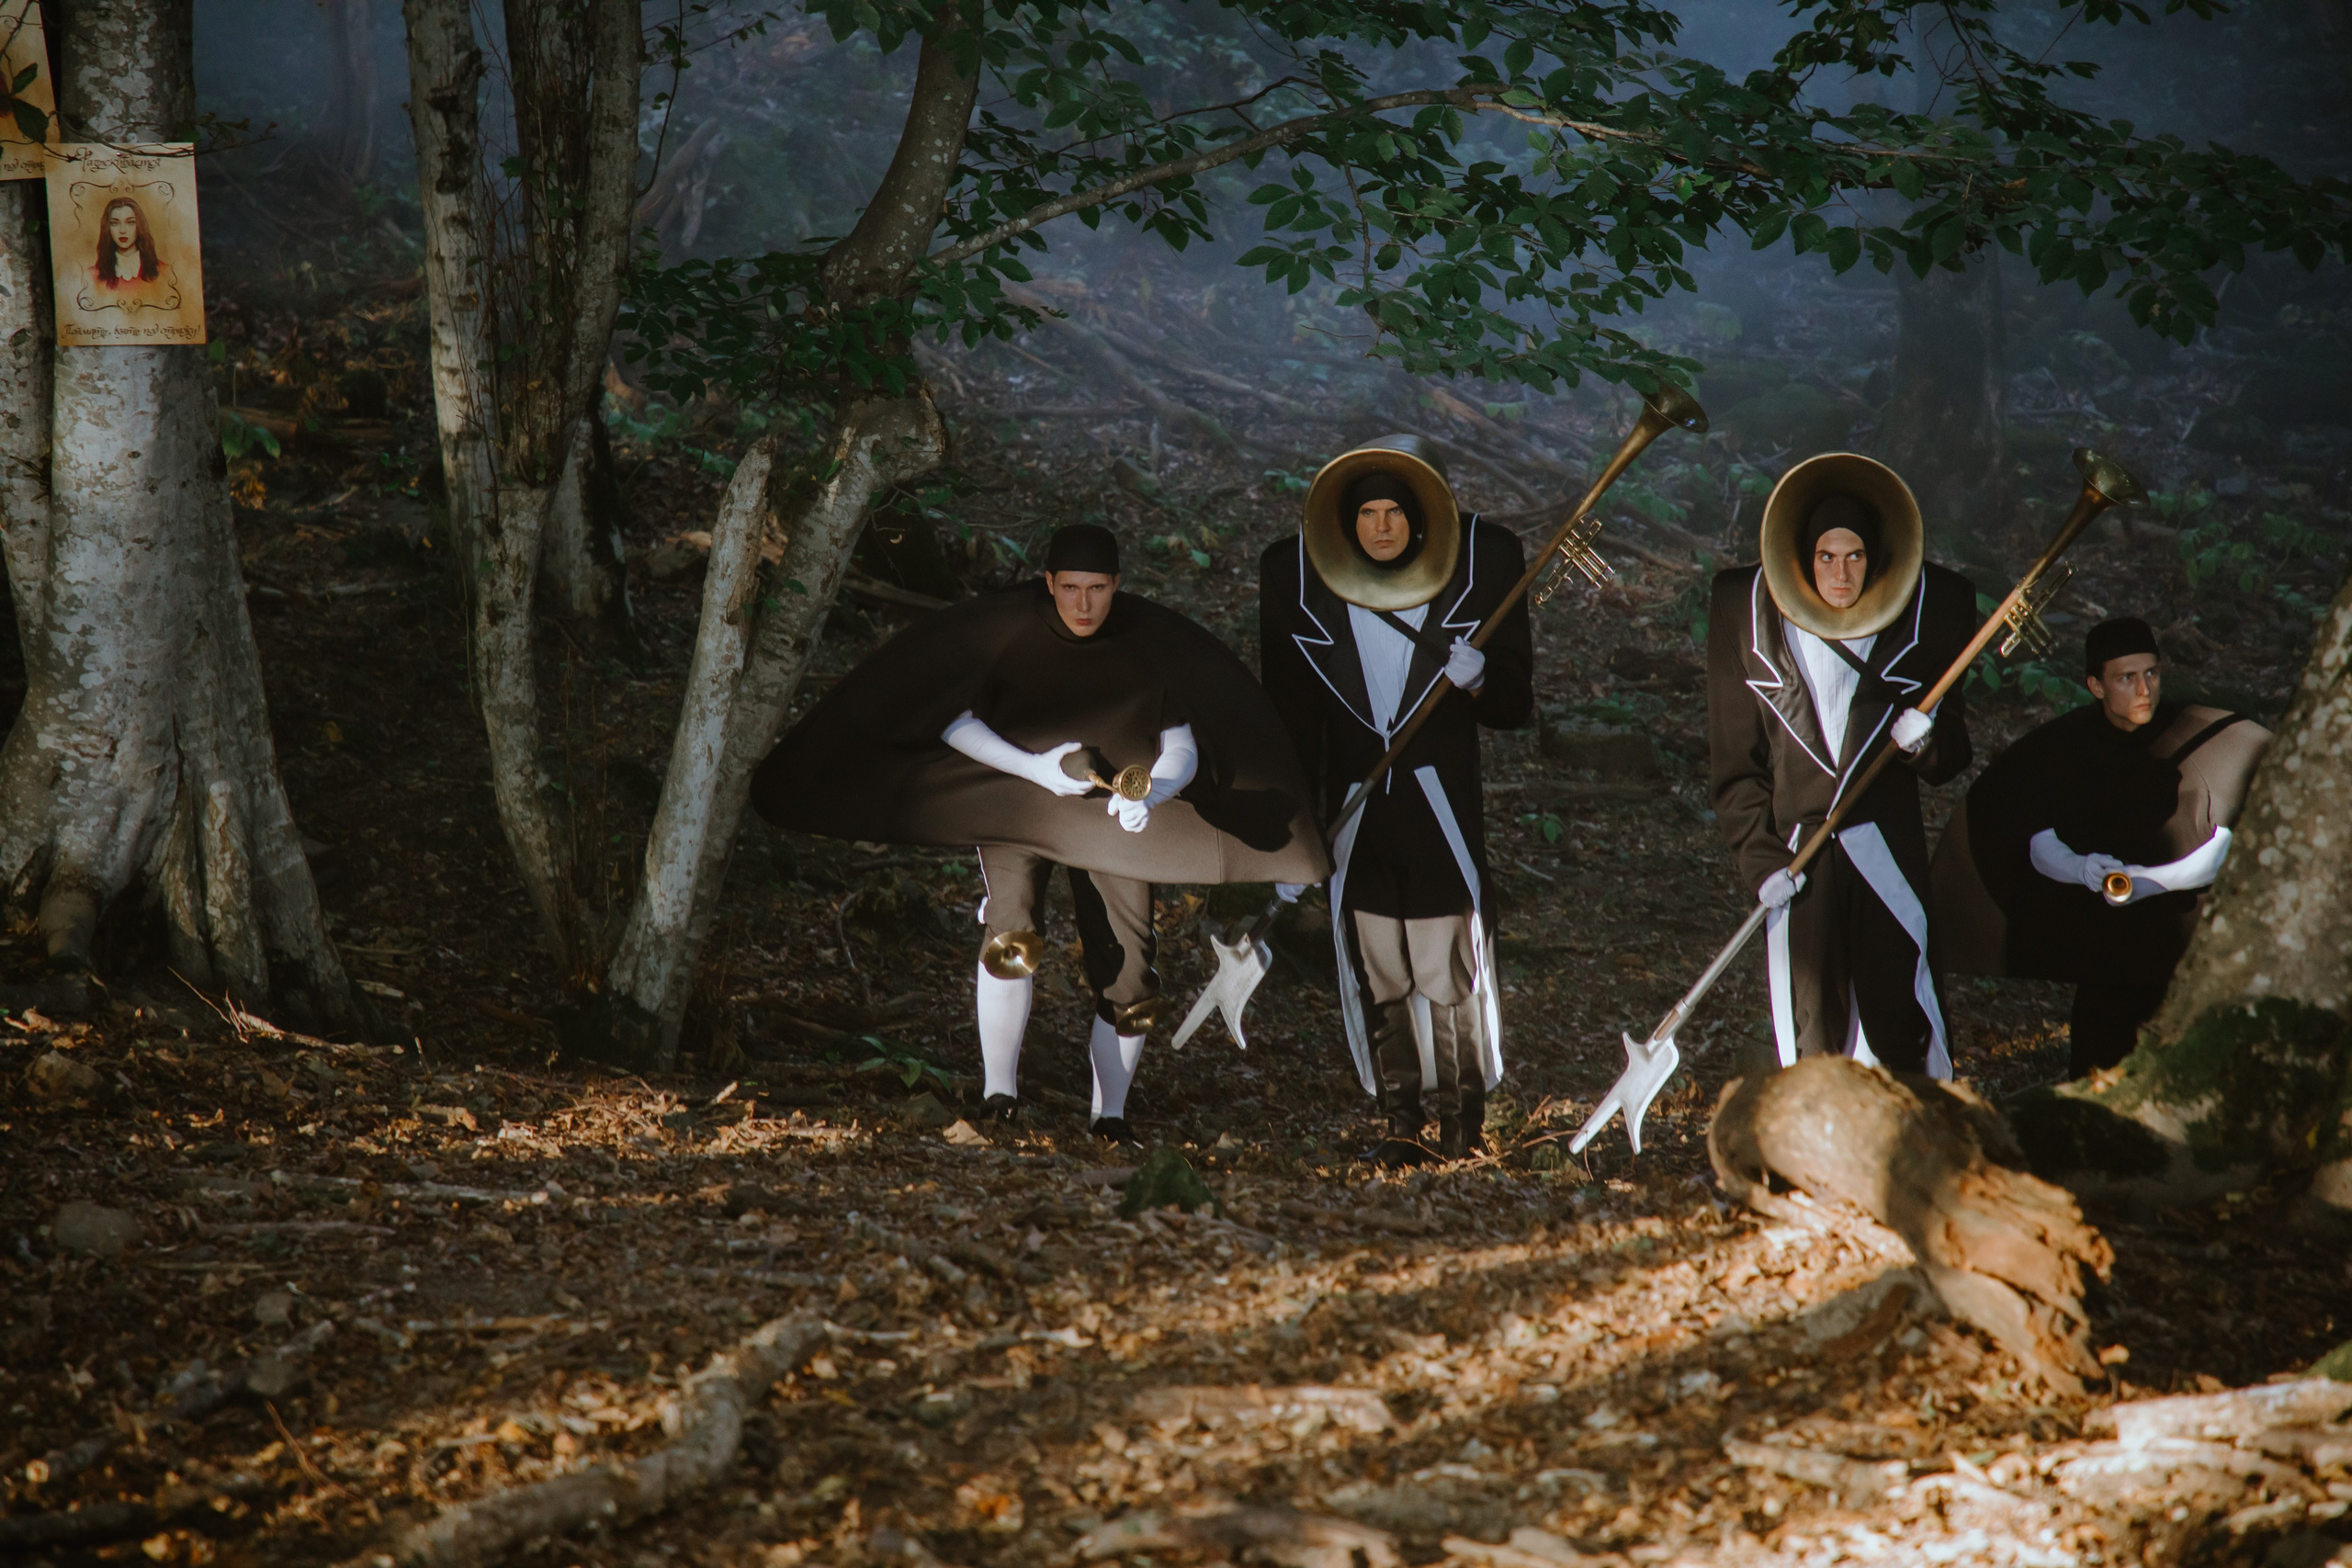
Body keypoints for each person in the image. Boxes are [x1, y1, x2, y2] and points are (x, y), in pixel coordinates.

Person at [751, 524, 1328, 1143]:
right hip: (1019, 802)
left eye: (1098, 589)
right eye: (1071, 587)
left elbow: (1182, 742)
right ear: (1048, 583)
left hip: (1112, 814)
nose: (1083, 604)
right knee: (1011, 933)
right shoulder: (1006, 633)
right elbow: (950, 718)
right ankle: (1000, 1094)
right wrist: (1034, 769)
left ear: (1117, 587)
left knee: (1131, 974)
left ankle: (1111, 1116)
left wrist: (1153, 791)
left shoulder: (1150, 645)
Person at [1259, 439, 1532, 1163]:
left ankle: (1462, 1121)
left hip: (1437, 810)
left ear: (1419, 520)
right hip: (1357, 813)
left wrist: (1478, 681)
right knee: (1378, 961)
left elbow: (1514, 704)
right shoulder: (1306, 591)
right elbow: (1293, 725)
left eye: (1395, 513)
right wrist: (1293, 835)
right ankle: (1400, 1120)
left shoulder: (1473, 587)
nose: (1381, 528)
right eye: (1368, 514)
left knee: (1446, 964)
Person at [1707, 482, 1975, 1077]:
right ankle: (1817, 1160)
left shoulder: (1924, 616)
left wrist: (1924, 743)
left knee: (1902, 1016)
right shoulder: (1746, 614)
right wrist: (1760, 860)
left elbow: (1954, 754)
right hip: (1799, 861)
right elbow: (1735, 765)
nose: (1841, 572)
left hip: (1886, 853)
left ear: (1874, 558)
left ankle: (1915, 1147)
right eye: (1826, 557)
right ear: (1803, 559)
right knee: (1810, 1027)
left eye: (1854, 556)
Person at [1929, 616, 2270, 1077]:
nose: (2144, 689)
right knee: (2098, 1059)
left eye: (2151, 673)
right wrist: (2081, 868)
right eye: (2126, 678)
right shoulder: (2065, 750)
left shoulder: (2197, 736)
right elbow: (2038, 841)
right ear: (2095, 685)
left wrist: (2151, 883)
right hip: (2104, 961)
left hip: (2181, 953)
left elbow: (2227, 846)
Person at [80, 194, 182, 312]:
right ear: (107, 228)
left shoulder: (164, 273)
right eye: (115, 223)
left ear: (139, 226)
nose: (122, 230)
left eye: (130, 222)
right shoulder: (91, 277)